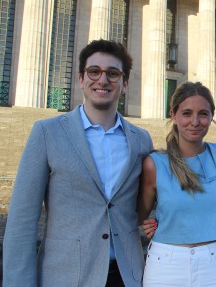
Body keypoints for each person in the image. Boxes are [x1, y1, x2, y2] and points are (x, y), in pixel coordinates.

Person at [3, 39, 153, 287]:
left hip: (127, 276)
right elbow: (22, 220)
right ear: (81, 79)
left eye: (113, 73)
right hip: (66, 276)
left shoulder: (141, 140)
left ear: (125, 83)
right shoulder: (47, 132)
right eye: (94, 71)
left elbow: (144, 204)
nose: (102, 80)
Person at [138, 81, 216, 286]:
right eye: (187, 113)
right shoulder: (154, 165)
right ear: (173, 115)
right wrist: (147, 225)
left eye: (203, 113)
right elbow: (138, 216)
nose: (195, 121)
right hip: (165, 265)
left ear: (212, 116)